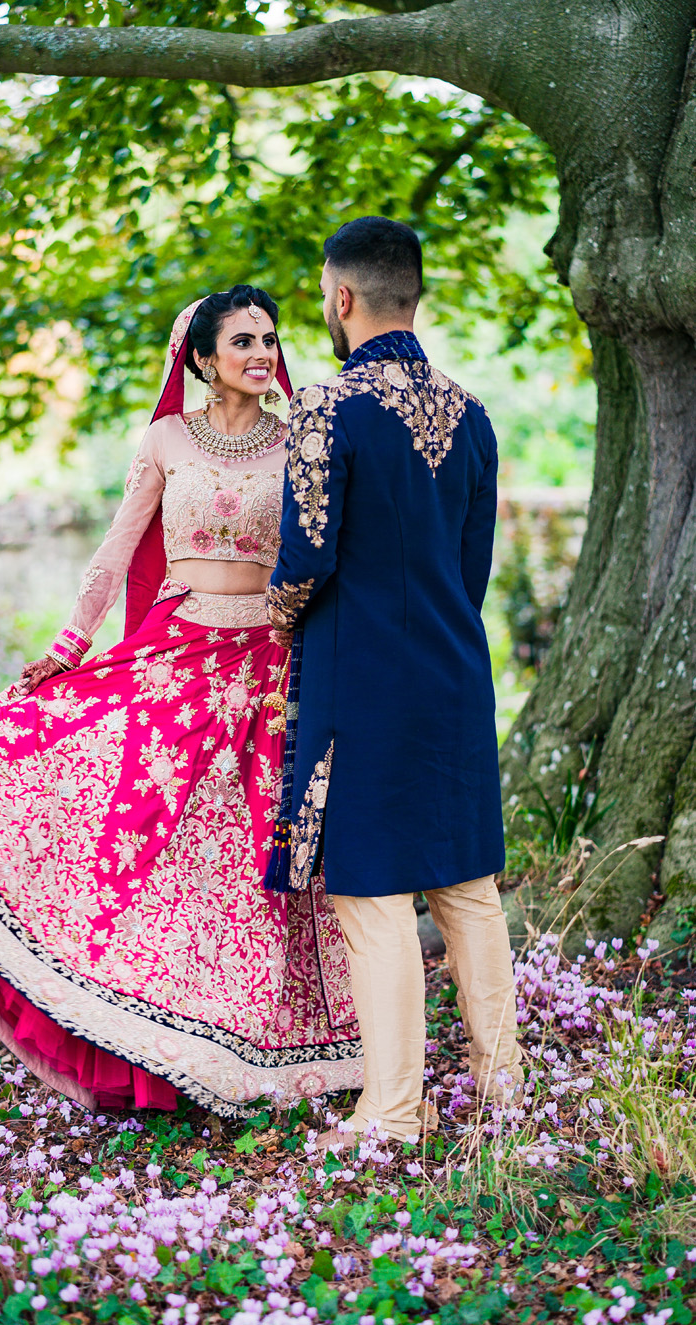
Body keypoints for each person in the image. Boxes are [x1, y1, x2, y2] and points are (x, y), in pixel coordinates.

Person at [0, 285, 363, 1119]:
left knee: (242, 862)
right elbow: (113, 557)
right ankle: (148, 1051)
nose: (262, 353)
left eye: (269, 339)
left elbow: (329, 553)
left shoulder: (302, 440)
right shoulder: (166, 440)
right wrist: (66, 649)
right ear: (201, 358)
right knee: (145, 842)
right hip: (173, 657)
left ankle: (247, 1045)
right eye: (243, 342)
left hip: (268, 664)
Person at [265, 219, 523, 1146]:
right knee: (466, 885)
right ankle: (501, 1088)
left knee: (373, 899)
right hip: (453, 675)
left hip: (359, 683)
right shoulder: (473, 413)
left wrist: (278, 618)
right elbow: (472, 563)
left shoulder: (326, 410)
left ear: (340, 299)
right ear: (411, 295)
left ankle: (392, 1112)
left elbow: (303, 560)